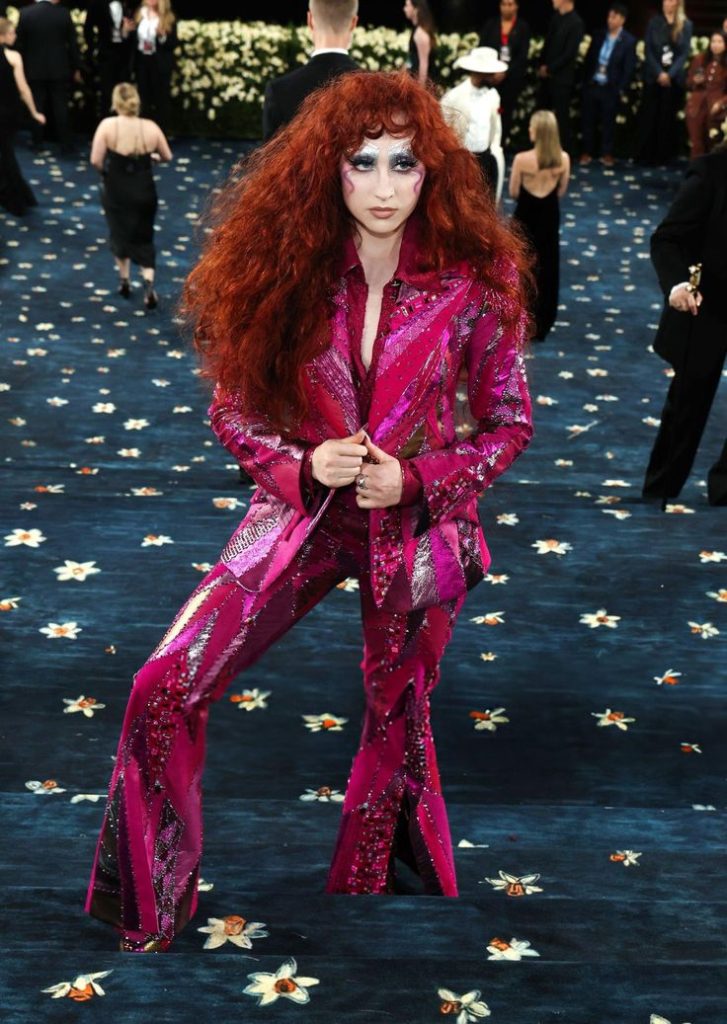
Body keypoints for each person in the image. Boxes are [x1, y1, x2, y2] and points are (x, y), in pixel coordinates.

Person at [85, 69, 533, 951]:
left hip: (416, 531)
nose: (380, 187)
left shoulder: (477, 281)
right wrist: (298, 463)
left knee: (397, 720)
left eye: (402, 164)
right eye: (359, 162)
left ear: (431, 170)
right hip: (302, 519)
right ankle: (151, 897)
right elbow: (232, 410)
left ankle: (372, 918)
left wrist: (414, 479)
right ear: (327, 170)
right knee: (163, 683)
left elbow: (509, 423)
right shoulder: (287, 266)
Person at [643, 143, 727, 507]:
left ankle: (724, 489)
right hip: (708, 307)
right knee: (688, 402)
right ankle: (661, 489)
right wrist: (677, 284)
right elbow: (667, 238)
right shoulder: (710, 171)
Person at [89, 82, 172, 308]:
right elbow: (167, 156)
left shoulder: (107, 125)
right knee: (144, 235)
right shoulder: (151, 127)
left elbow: (96, 160)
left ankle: (124, 279)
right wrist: (152, 159)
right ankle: (148, 281)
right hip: (144, 189)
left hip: (116, 188)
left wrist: (106, 173)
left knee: (119, 233)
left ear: (116, 102)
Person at [510, 110, 570, 342]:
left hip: (525, 217)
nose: (529, 131)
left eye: (531, 127)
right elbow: (561, 191)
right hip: (549, 217)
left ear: (539, 132)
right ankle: (542, 320)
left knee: (521, 265)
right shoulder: (563, 159)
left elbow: (515, 192)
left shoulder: (522, 159)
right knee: (548, 265)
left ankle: (518, 317)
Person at [262, 0, 358, 142]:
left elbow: (270, 160)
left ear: (310, 20)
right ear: (353, 23)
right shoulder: (378, 89)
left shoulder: (279, 91)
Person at [441, 46, 507, 201]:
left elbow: (495, 129)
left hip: (486, 159)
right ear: (480, 72)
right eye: (490, 73)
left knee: (485, 204)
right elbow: (442, 132)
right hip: (462, 161)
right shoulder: (454, 97)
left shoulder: (492, 95)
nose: (494, 76)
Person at [15, 0, 82, 153]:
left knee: (36, 105)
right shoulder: (63, 13)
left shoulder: (26, 13)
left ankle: (37, 142)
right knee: (61, 107)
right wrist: (77, 67)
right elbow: (73, 44)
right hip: (59, 68)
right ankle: (65, 143)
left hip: (33, 69)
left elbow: (20, 44)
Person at [579, 3, 636, 167]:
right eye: (609, 16)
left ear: (622, 20)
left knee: (608, 122)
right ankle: (587, 151)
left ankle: (607, 153)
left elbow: (628, 68)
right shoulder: (598, 35)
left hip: (611, 88)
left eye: (615, 17)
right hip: (593, 83)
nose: (610, 20)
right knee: (588, 120)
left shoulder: (628, 41)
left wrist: (620, 88)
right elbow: (589, 59)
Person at [0, 18, 46, 216]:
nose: (15, 36)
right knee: (6, 154)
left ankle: (14, 197)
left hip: (5, 114)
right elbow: (23, 89)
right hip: (7, 113)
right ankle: (16, 199)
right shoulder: (13, 57)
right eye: (12, 33)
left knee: (5, 154)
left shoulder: (13, 56)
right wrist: (34, 112)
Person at [638, 0, 693, 165]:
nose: (666, 3)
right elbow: (648, 50)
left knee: (666, 117)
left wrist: (669, 74)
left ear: (677, 3)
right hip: (654, 77)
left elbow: (683, 54)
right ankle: (646, 154)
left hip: (672, 80)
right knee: (650, 115)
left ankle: (664, 155)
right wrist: (659, 73)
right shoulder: (654, 22)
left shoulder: (686, 25)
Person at [479, 0, 530, 147]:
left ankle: (500, 146)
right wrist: (491, 72)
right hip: (490, 78)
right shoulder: (490, 25)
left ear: (516, 6)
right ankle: (485, 145)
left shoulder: (522, 27)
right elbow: (482, 48)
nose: (507, 7)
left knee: (506, 114)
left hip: (511, 79)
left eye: (510, 4)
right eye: (504, 4)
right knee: (488, 112)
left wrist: (505, 71)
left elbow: (522, 56)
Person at [536, 0, 585, 154]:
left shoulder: (576, 23)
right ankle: (539, 149)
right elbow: (548, 44)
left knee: (561, 117)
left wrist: (550, 68)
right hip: (546, 76)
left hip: (562, 78)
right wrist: (541, 65)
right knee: (542, 114)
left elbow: (569, 53)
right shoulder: (555, 18)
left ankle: (563, 153)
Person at [84, 0, 136, 120]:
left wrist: (126, 33)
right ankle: (106, 127)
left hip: (124, 56)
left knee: (124, 92)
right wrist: (93, 47)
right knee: (106, 94)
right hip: (105, 55)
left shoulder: (127, 4)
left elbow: (133, 31)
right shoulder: (96, 4)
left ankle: (124, 125)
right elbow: (88, 28)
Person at [131, 0, 177, 133]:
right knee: (143, 100)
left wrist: (162, 37)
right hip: (142, 62)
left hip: (159, 63)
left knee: (160, 101)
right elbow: (133, 41)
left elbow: (173, 43)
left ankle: (160, 136)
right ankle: (144, 135)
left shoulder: (168, 17)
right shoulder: (139, 14)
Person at [685, 30, 727, 159]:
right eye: (713, 41)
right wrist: (695, 81)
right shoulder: (700, 59)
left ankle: (711, 175)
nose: (715, 45)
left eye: (720, 42)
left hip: (717, 108)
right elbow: (688, 81)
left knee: (713, 143)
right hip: (696, 106)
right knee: (696, 143)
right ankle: (696, 174)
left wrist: (721, 103)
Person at [403, 0, 437, 86]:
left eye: (407, 5)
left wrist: (420, 91)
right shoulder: (417, 30)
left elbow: (423, 65)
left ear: (416, 9)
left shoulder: (420, 33)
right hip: (414, 82)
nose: (404, 9)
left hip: (420, 85)